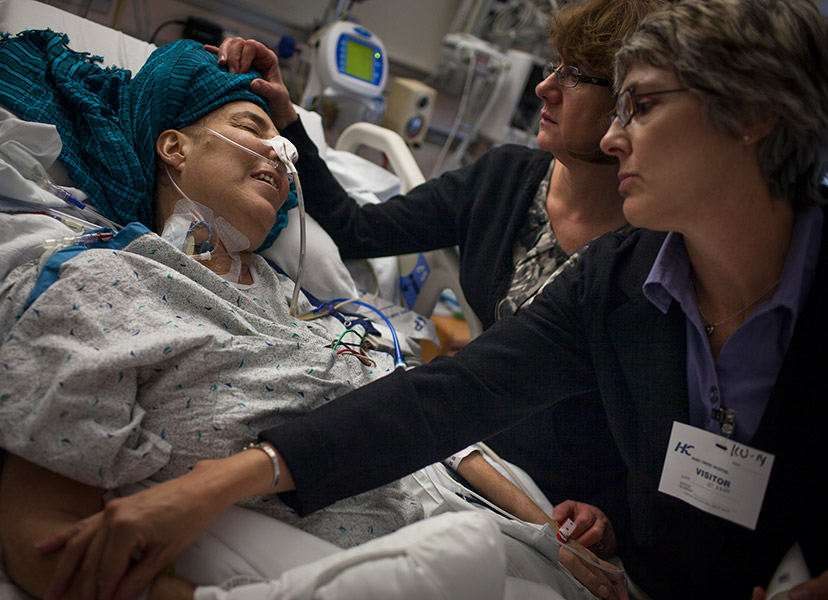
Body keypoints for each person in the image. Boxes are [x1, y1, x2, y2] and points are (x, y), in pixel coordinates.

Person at [41, 0, 828, 598]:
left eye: (643, 106)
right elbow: (448, 396)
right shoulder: (622, 276)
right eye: (616, 105)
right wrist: (205, 488)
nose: (619, 136)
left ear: (753, 116)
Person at [0, 30, 622, 600]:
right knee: (465, 556)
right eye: (253, 130)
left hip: (465, 518)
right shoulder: (107, 283)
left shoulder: (302, 308)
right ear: (174, 148)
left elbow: (431, 421)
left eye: (287, 145)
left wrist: (545, 531)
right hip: (374, 555)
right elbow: (49, 531)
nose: (281, 153)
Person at [214, 0, 667, 540]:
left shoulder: (650, 260)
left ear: (631, 105)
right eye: (553, 67)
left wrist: (613, 517)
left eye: (574, 77)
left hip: (563, 499)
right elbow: (360, 230)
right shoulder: (504, 181)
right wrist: (288, 120)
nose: (545, 89)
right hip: (459, 440)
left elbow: (659, 439)